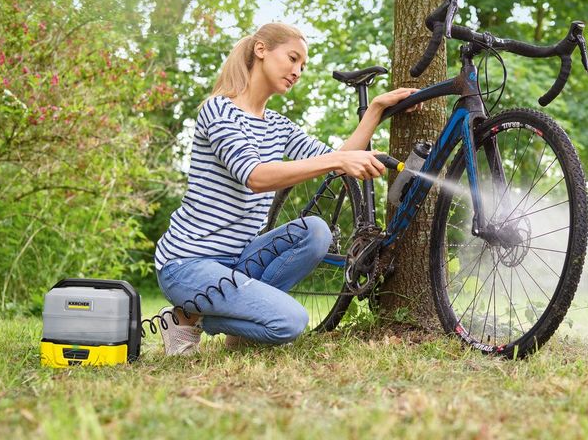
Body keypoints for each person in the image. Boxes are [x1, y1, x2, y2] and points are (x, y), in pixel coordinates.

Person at [154, 22, 419, 355]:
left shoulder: (279, 126)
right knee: (291, 322)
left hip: (238, 262)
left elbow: (335, 159)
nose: (297, 71)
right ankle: (186, 316)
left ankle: (234, 321)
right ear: (261, 50)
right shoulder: (218, 110)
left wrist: (377, 110)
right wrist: (339, 162)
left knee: (316, 232)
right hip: (188, 264)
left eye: (302, 66)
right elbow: (255, 176)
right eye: (292, 59)